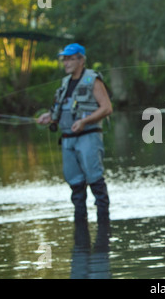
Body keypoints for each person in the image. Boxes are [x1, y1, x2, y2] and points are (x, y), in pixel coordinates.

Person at [37, 43, 113, 223]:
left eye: (70, 59)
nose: (66, 63)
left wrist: (84, 122)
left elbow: (107, 108)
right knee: (76, 185)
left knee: (95, 180)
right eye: (64, 59)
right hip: (67, 140)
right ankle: (81, 226)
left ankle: (104, 225)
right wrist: (49, 117)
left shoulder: (93, 79)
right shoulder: (65, 83)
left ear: (81, 60)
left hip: (88, 138)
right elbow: (63, 110)